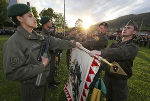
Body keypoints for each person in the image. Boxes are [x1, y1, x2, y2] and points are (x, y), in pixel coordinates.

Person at [3, 4, 80, 101]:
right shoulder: (14, 42)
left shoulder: (37, 37)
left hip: (42, 83)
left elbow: (55, 41)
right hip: (31, 87)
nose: (35, 19)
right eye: (30, 16)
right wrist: (42, 66)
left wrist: (73, 44)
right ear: (20, 18)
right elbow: (12, 73)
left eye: (33, 15)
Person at [89, 20, 139, 101]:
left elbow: (120, 52)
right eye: (125, 27)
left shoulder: (133, 47)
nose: (125, 29)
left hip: (119, 80)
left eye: (128, 28)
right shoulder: (115, 44)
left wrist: (101, 52)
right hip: (108, 76)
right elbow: (108, 56)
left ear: (134, 32)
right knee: (107, 97)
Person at [83, 22, 109, 91]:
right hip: (92, 59)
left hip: (98, 61)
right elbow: (90, 41)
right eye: (99, 27)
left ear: (106, 29)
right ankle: (89, 88)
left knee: (94, 76)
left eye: (101, 28)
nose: (99, 29)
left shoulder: (104, 38)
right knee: (90, 74)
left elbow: (91, 43)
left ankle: (91, 89)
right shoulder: (98, 36)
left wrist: (80, 43)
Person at [40, 16, 60, 89]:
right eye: (50, 21)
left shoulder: (48, 32)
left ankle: (52, 80)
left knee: (53, 68)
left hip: (52, 54)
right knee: (50, 69)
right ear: (46, 23)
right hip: (48, 55)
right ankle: (50, 84)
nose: (51, 22)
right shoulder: (43, 34)